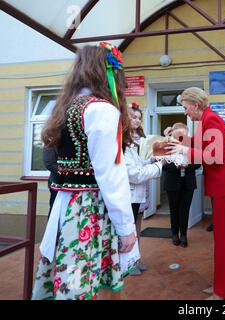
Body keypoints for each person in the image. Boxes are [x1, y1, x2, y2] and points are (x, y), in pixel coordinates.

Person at [32, 43, 137, 300]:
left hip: (66, 204)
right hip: (90, 210)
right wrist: (126, 227)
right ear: (108, 73)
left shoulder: (67, 107)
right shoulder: (102, 110)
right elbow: (110, 177)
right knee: (86, 281)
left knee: (68, 275)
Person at [166, 87, 225, 300]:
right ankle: (221, 285)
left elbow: (215, 156)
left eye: (185, 108)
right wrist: (178, 139)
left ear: (195, 105)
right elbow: (198, 144)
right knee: (221, 240)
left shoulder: (212, 120)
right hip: (223, 186)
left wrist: (183, 150)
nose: (185, 112)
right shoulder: (205, 120)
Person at [124, 103, 163, 275]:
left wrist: (152, 160)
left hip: (140, 189)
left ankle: (135, 258)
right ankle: (129, 263)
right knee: (129, 229)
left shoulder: (140, 139)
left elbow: (139, 164)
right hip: (130, 191)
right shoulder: (123, 140)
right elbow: (133, 172)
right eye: (134, 117)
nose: (137, 120)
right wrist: (159, 165)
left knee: (137, 225)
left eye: (139, 118)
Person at [163, 122, 201, 248]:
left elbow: (198, 163)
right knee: (174, 210)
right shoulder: (167, 145)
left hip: (188, 183)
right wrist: (176, 167)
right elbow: (163, 164)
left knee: (185, 210)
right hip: (172, 182)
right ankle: (174, 234)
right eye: (179, 134)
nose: (181, 137)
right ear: (174, 133)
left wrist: (186, 166)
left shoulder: (192, 146)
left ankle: (183, 235)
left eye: (184, 134)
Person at [42, 147, 58, 217]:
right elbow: (50, 164)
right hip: (56, 183)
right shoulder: (50, 144)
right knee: (54, 209)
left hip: (73, 183)